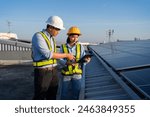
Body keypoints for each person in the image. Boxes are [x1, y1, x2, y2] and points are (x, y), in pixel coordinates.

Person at [32, 16, 75, 100]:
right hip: (42, 72)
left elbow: (55, 57)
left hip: (53, 71)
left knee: (52, 96)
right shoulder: (38, 36)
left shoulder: (52, 39)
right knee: (40, 96)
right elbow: (48, 54)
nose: (58, 32)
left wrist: (66, 63)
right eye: (58, 29)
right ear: (51, 27)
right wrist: (66, 55)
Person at [59, 26, 91, 99]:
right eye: (73, 37)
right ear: (69, 36)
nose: (75, 39)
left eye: (77, 37)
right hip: (66, 74)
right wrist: (67, 63)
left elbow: (83, 58)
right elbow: (60, 59)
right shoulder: (63, 47)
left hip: (77, 74)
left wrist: (87, 60)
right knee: (64, 94)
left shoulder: (80, 47)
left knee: (76, 94)